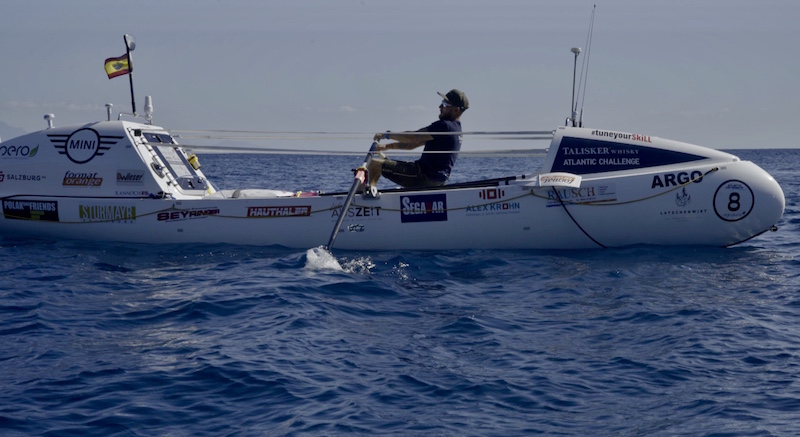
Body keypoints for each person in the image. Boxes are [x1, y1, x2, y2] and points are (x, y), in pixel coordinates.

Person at [366, 89, 468, 192]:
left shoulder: (444, 126)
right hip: (437, 180)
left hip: (423, 176)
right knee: (384, 163)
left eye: (445, 104)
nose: (440, 107)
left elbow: (413, 137)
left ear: (456, 110)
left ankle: (366, 199)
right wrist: (386, 147)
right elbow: (412, 144)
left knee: (374, 165)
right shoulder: (456, 129)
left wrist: (386, 135)